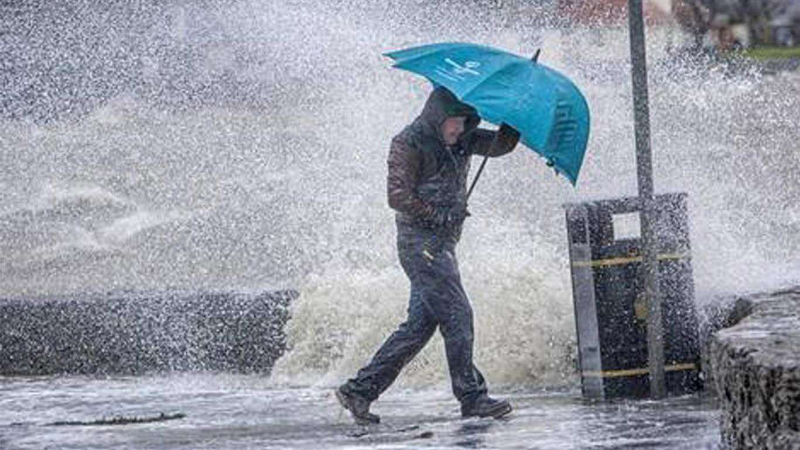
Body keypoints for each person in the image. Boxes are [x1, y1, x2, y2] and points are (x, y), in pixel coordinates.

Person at [335, 86, 520, 424]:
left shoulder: (463, 138)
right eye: (454, 122)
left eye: (465, 122)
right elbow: (397, 196)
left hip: (442, 245)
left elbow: (499, 146)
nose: (459, 130)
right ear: (437, 117)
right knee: (458, 315)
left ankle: (359, 391)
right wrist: (438, 215)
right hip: (419, 244)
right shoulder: (408, 142)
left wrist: (514, 120)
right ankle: (472, 397)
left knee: (419, 326)